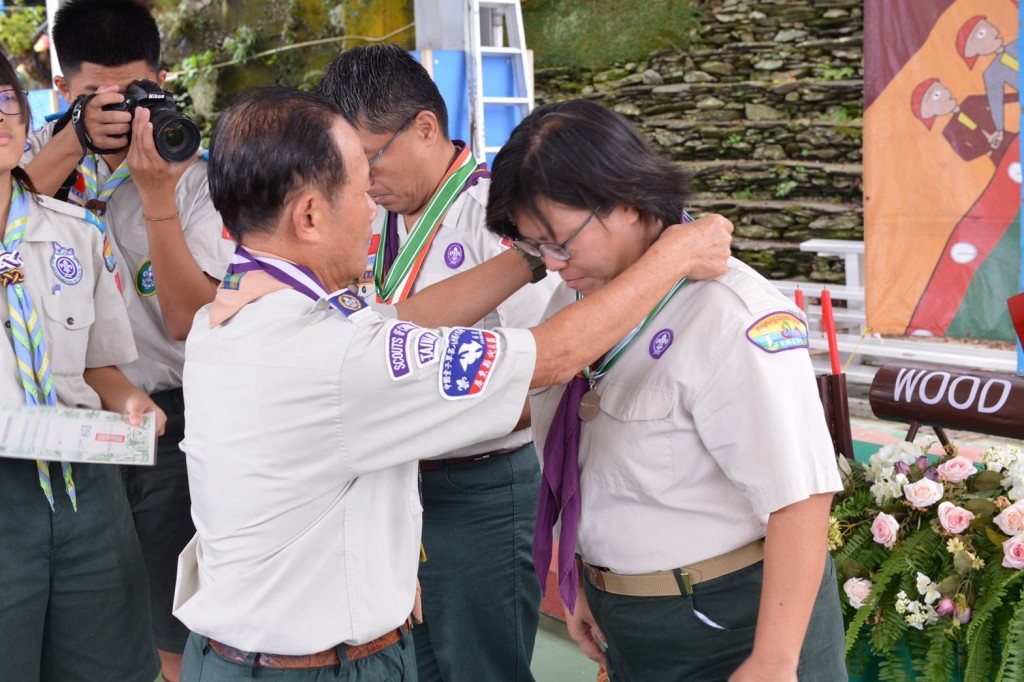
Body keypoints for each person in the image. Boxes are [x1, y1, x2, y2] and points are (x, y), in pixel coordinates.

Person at [172, 86, 733, 682]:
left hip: (242, 655)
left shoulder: (231, 321)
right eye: (359, 189)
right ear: (310, 215)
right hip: (312, 669)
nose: (373, 207)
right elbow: (550, 356)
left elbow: (400, 323)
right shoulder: (334, 357)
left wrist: (538, 253)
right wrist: (675, 255)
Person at [485, 99, 847, 682]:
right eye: (534, 249)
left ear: (624, 201)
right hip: (627, 618)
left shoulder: (731, 314)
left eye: (559, 242)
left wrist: (774, 661)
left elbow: (800, 497)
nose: (551, 265)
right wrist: (588, 583)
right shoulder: (577, 303)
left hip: (734, 623)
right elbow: (592, 468)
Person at [315, 43, 556, 681]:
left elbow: (547, 371)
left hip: (481, 487)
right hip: (393, 482)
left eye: (369, 158)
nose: (362, 182)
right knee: (405, 662)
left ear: (425, 127)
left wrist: (428, 418)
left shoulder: (497, 218)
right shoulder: (367, 220)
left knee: (481, 664)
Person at [22, 2, 235, 679]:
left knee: (172, 631)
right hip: (53, 432)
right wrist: (71, 144)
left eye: (136, 94)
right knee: (83, 630)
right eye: (95, 99)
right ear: (63, 94)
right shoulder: (26, 165)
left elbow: (192, 322)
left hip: (167, 424)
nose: (118, 114)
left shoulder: (198, 174)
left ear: (164, 82)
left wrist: (155, 193)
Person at [0, 53, 166, 682]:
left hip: (86, 489)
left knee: (110, 666)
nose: (0, 118)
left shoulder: (76, 233)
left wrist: (131, 405)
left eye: (7, 100)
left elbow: (99, 369)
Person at [956, 15, 1018, 149]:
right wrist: (1000, 130)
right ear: (975, 51)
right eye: (981, 33)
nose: (992, 31)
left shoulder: (1018, 43)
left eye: (988, 26)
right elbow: (996, 102)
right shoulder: (992, 73)